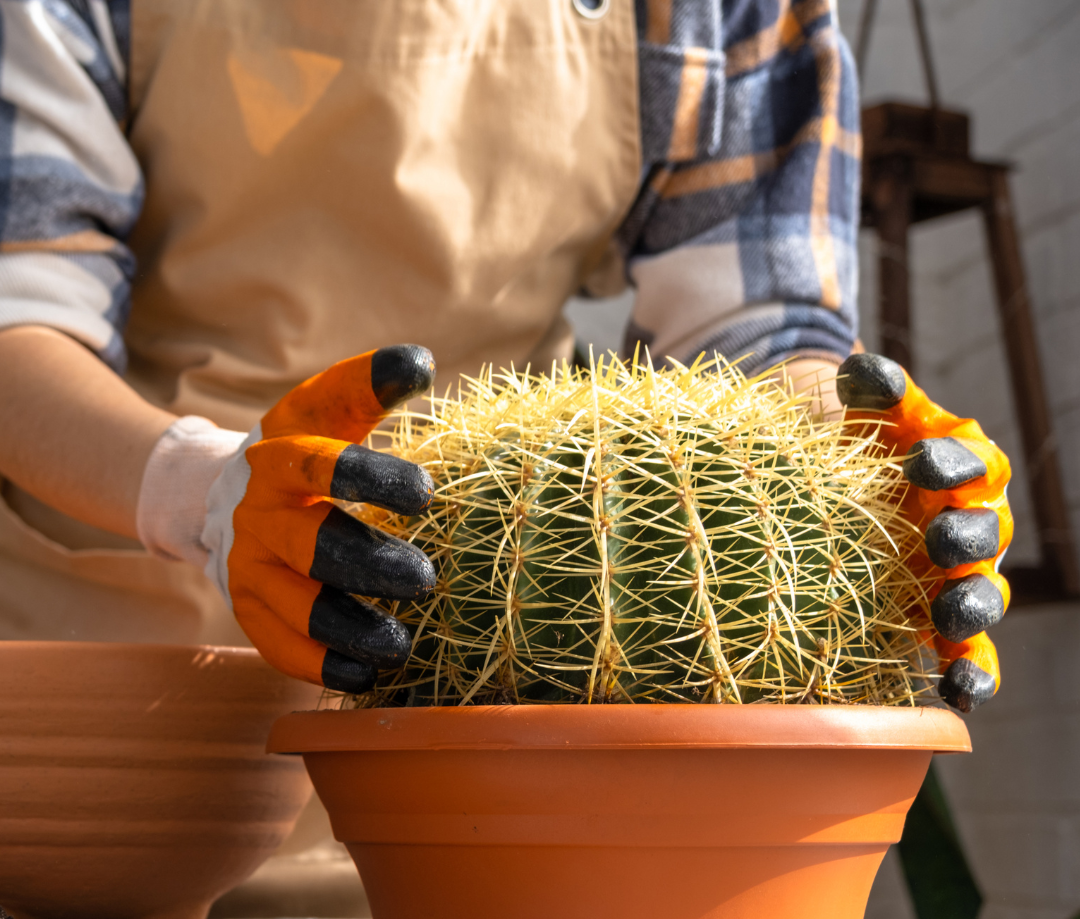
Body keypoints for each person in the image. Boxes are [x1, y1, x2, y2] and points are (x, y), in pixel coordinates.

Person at [0, 0, 1008, 713]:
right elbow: (19, 309)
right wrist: (201, 493)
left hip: (504, 731)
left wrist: (870, 466)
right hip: (124, 723)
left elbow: (757, 336)